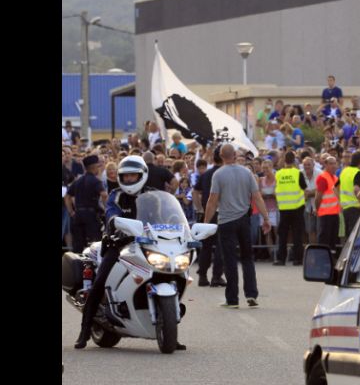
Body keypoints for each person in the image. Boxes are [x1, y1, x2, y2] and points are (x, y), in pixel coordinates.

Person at [74, 156, 190, 350]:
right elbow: (111, 213)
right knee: (100, 282)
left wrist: (179, 227)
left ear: (142, 175)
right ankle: (85, 331)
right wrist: (114, 220)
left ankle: (170, 332)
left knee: (173, 273)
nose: (129, 180)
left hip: (147, 244)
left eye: (133, 176)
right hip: (118, 245)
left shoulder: (153, 195)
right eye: (125, 176)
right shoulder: (116, 195)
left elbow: (166, 215)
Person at [204, 144, 270, 309]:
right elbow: (257, 197)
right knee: (248, 257)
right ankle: (251, 294)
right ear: (234, 155)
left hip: (226, 221)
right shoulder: (246, 172)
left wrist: (205, 222)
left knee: (230, 260)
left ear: (220, 155)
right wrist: (266, 218)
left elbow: (212, 201)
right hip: (243, 219)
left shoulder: (218, 175)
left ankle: (232, 299)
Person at [193, 147, 226, 287]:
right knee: (221, 246)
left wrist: (200, 208)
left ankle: (202, 276)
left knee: (206, 246)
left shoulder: (205, 174)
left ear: (213, 158)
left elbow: (195, 191)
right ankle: (216, 276)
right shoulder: (225, 173)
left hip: (207, 213)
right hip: (222, 214)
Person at [65, 155, 108, 254]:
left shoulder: (78, 181)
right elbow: (104, 195)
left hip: (78, 215)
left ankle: (77, 266)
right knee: (95, 244)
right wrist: (106, 209)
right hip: (91, 216)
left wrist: (71, 212)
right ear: (94, 167)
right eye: (98, 166)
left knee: (78, 245)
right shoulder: (96, 181)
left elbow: (67, 196)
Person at [274, 151, 308, 266]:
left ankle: (280, 259)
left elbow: (276, 188)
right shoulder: (298, 173)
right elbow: (304, 188)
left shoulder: (278, 174)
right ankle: (298, 259)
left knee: (282, 235)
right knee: (297, 234)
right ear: (294, 160)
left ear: (284, 160)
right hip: (297, 208)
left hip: (283, 208)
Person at [315, 156, 341, 253]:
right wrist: (317, 210)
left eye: (335, 163)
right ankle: (322, 258)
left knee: (333, 239)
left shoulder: (335, 178)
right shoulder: (323, 177)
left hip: (334, 213)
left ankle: (331, 258)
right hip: (325, 214)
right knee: (324, 239)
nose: (334, 166)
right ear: (325, 165)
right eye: (331, 164)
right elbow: (318, 197)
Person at [339, 151, 360, 238]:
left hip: (346, 209)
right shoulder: (357, 172)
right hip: (355, 209)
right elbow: (356, 190)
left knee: (349, 236)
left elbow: (334, 187)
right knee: (355, 236)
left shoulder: (344, 171)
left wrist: (340, 200)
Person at [301, 156, 322, 244]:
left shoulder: (320, 174)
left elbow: (321, 190)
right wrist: (312, 192)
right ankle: (313, 252)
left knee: (319, 230)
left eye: (308, 164)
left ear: (313, 165)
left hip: (319, 206)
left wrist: (309, 193)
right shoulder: (300, 174)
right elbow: (299, 191)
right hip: (306, 207)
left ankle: (320, 251)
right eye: (304, 165)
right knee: (310, 230)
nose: (306, 167)